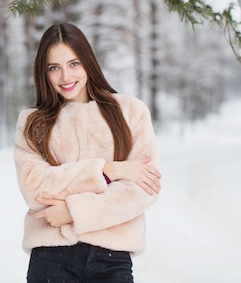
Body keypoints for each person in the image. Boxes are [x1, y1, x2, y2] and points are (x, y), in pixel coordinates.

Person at [14, 22, 162, 283]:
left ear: (88, 61)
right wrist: (107, 170)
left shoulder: (130, 112)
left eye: (74, 64)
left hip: (111, 258)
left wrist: (73, 211)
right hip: (50, 256)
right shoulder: (32, 122)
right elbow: (34, 187)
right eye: (54, 68)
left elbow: (141, 190)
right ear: (43, 72)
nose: (65, 77)